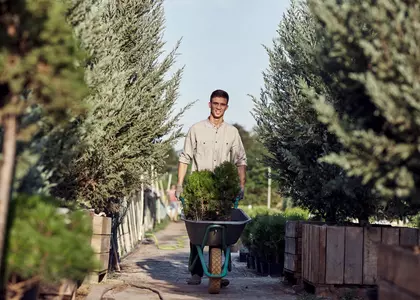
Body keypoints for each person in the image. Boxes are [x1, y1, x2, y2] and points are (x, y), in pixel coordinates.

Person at [176, 89, 247, 286]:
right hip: (199, 190)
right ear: (209, 104)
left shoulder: (232, 133)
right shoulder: (196, 129)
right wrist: (180, 184)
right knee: (197, 231)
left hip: (223, 192)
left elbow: (241, 160)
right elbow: (185, 158)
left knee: (221, 233)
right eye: (215, 103)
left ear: (226, 107)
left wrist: (241, 185)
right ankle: (196, 272)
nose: (218, 107)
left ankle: (218, 271)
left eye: (222, 104)